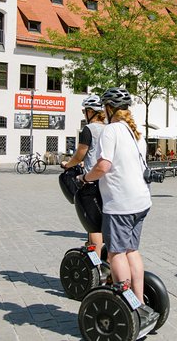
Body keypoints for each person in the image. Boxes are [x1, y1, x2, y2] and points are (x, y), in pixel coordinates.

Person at [79, 87, 154, 313]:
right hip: (141, 201)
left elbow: (104, 165)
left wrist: (85, 177)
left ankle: (127, 303)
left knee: (115, 253)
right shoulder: (136, 133)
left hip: (120, 203)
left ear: (109, 108)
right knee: (132, 250)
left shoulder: (111, 130)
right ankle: (138, 302)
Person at [61, 95, 107, 253]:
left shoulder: (89, 129)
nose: (83, 114)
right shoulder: (109, 129)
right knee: (105, 223)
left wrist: (67, 164)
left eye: (84, 111)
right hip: (107, 182)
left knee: (93, 226)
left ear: (90, 112)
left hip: (91, 182)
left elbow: (80, 154)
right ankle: (107, 263)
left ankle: (96, 265)